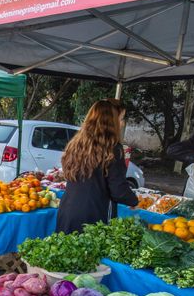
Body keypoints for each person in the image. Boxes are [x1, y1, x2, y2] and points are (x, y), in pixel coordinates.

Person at [56, 99, 138, 234]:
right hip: (94, 215)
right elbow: (118, 189)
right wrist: (133, 201)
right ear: (110, 122)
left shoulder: (76, 143)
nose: (123, 123)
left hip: (68, 210)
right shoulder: (113, 149)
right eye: (121, 118)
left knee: (67, 251)